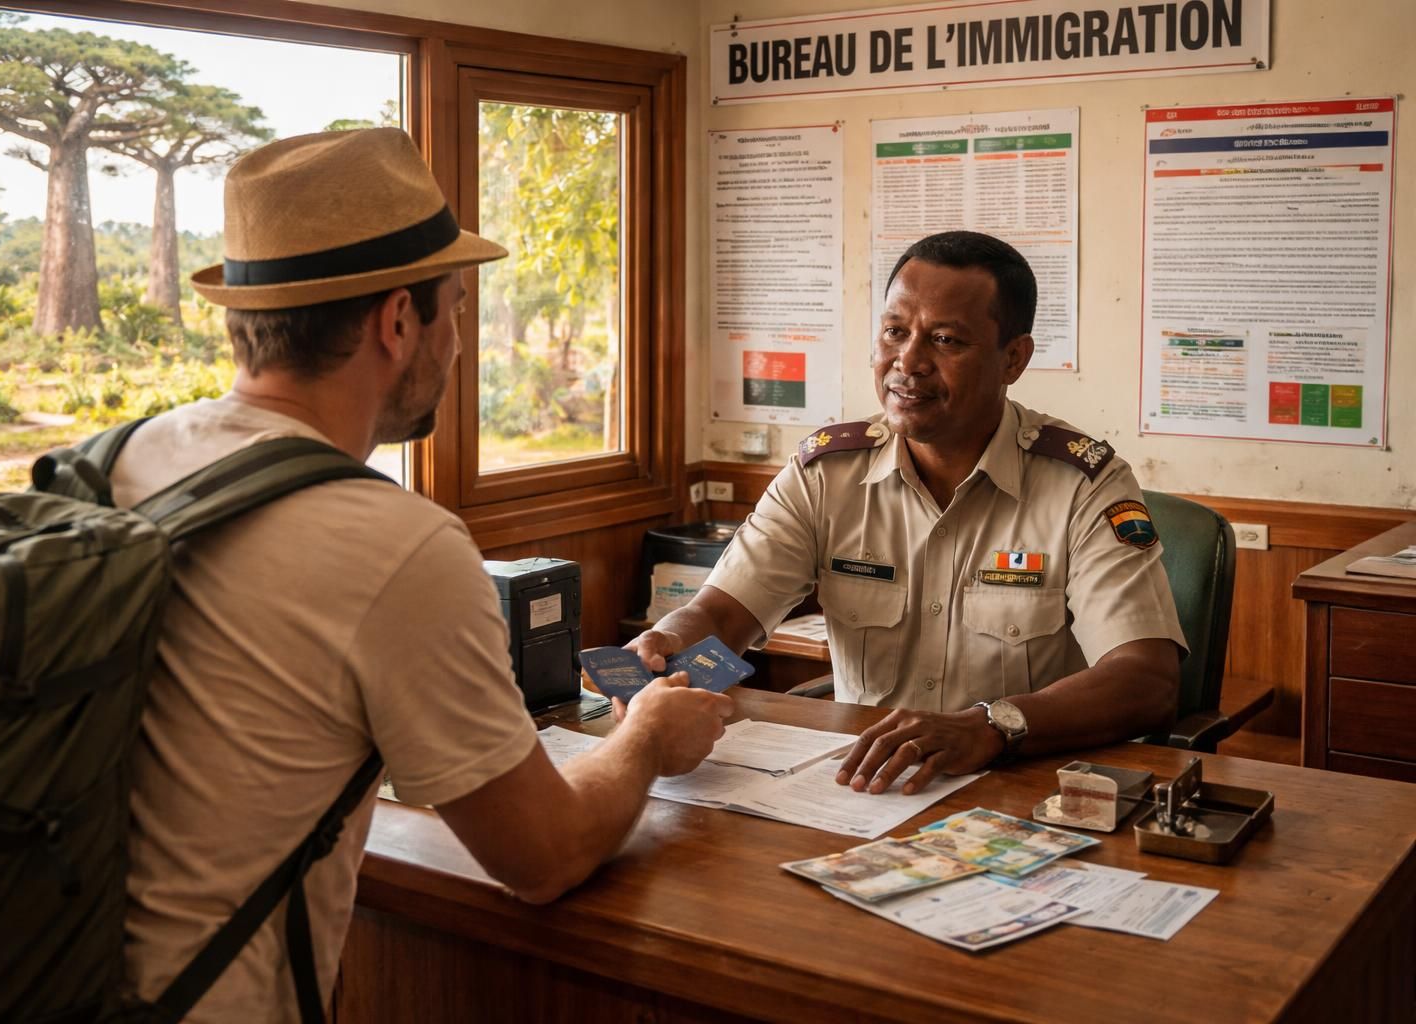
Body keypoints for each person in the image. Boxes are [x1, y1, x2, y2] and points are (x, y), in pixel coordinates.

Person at [108, 128, 733, 1023]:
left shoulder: (121, 458)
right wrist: (645, 739)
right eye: (459, 307)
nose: (462, 341)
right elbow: (543, 859)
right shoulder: (396, 544)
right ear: (400, 322)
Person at [628, 231, 1184, 800]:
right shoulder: (828, 472)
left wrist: (992, 725)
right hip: (862, 786)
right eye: (895, 332)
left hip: (1022, 788)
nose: (908, 363)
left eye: (945, 340)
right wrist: (667, 642)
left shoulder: (1082, 483)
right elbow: (723, 619)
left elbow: (1145, 680)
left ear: (1013, 358)